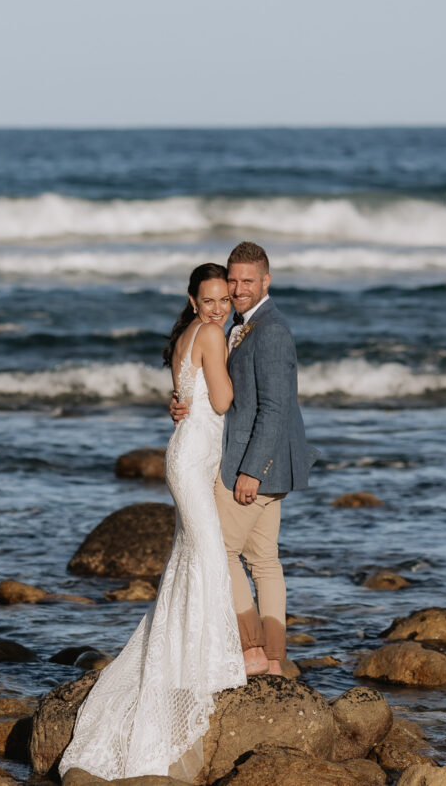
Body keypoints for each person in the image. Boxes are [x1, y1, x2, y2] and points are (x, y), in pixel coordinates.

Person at [59, 263, 246, 782]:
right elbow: (225, 399)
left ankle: (190, 651)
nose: (217, 308)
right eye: (208, 300)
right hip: (191, 458)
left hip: (188, 454)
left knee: (192, 555)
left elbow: (191, 399)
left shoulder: (188, 336)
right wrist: (234, 355)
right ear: (193, 301)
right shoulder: (211, 333)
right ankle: (204, 660)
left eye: (223, 300)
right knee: (205, 554)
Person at [171, 241, 316, 677]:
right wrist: (183, 402)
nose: (237, 289)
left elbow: (274, 407)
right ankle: (274, 659)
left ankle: (252, 648)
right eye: (232, 281)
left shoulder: (269, 330)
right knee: (265, 560)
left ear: (266, 281)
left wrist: (250, 471)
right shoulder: (240, 325)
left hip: (253, 465)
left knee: (224, 552)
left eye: (247, 281)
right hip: (263, 462)